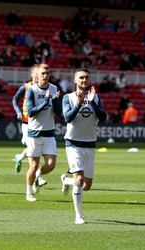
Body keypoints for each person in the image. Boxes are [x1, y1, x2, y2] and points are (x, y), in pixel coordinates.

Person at [60, 68, 107, 224]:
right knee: (79, 179)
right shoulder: (68, 98)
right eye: (81, 78)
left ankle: (66, 181)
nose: (84, 80)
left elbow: (103, 117)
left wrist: (93, 102)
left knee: (86, 186)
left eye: (86, 77)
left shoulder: (96, 97)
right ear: (75, 80)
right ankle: (79, 216)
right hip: (73, 144)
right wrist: (78, 104)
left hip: (90, 144)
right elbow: (68, 118)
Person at [25, 64, 62, 202]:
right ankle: (29, 193)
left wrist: (56, 101)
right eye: (42, 73)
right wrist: (46, 101)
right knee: (33, 166)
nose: (45, 75)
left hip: (49, 133)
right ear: (37, 75)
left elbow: (58, 113)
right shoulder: (32, 90)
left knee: (51, 164)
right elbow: (31, 112)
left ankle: (38, 176)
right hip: (34, 133)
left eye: (47, 73)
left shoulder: (54, 88)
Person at [12, 64, 38, 173]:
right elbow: (14, 100)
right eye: (36, 73)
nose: (39, 75)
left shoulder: (45, 88)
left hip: (39, 123)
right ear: (32, 74)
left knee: (35, 148)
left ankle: (20, 156)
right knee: (32, 148)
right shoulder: (25, 87)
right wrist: (18, 112)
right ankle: (37, 176)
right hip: (27, 123)